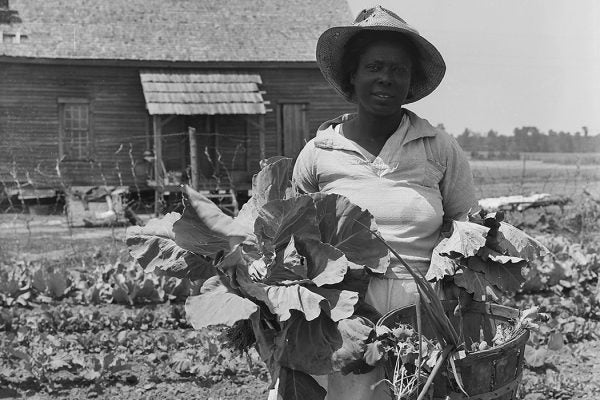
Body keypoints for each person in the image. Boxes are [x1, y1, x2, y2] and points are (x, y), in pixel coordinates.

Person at [292, 5, 477, 399]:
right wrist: (332, 316)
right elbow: (293, 247)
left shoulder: (439, 148)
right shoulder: (318, 152)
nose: (386, 79)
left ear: (410, 82)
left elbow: (467, 228)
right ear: (352, 76)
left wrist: (454, 298)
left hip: (424, 317)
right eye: (374, 67)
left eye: (399, 70)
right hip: (340, 315)